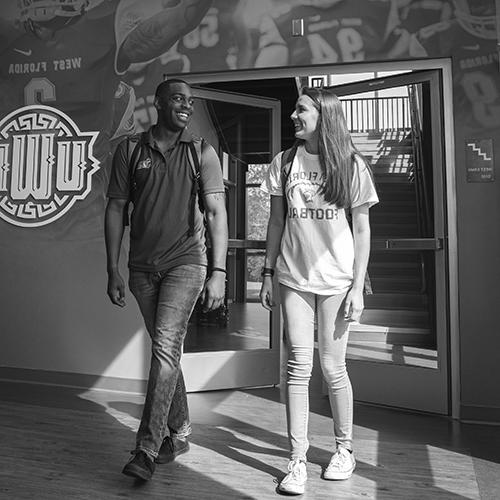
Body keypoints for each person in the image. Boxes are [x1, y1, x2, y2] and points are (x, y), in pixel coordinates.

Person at [0, 0, 212, 237]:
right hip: (32, 227)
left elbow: (175, 22)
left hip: (74, 226)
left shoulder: (117, 85)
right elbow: (180, 19)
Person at [105, 78, 228, 481]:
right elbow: (116, 210)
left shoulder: (201, 153)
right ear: (158, 104)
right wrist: (112, 268)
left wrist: (219, 272)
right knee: (167, 352)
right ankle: (182, 430)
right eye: (178, 99)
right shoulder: (130, 150)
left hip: (186, 263)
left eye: (190, 102)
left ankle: (146, 448)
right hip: (142, 269)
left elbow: (215, 214)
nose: (186, 107)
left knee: (164, 348)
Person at [259, 87, 378, 495]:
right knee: (297, 367)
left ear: (323, 115)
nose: (294, 115)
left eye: (301, 109)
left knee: (333, 369)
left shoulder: (350, 163)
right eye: (295, 108)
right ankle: (297, 460)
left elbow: (361, 230)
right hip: (294, 277)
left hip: (337, 282)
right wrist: (267, 271)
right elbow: (276, 222)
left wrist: (358, 287)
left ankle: (344, 449)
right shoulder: (284, 162)